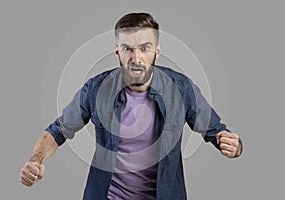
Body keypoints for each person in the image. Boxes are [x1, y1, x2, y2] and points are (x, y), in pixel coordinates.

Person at [20, 12, 243, 200]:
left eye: (144, 48)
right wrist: (35, 161)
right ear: (117, 51)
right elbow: (58, 131)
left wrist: (234, 145)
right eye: (128, 48)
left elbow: (217, 132)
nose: (136, 58)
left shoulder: (181, 88)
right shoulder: (96, 88)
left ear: (157, 50)